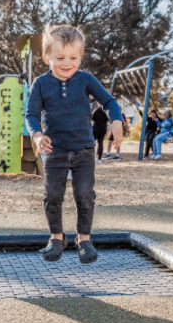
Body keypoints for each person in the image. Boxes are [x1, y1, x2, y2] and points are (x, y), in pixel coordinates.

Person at [27, 25, 123, 264]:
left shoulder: (85, 80)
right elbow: (31, 114)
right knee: (52, 195)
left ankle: (84, 238)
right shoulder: (40, 84)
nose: (67, 63)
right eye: (60, 58)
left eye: (74, 57)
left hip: (84, 150)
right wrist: (37, 135)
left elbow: (109, 101)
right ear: (46, 57)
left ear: (80, 56)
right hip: (54, 150)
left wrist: (117, 119)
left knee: (84, 194)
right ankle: (57, 238)